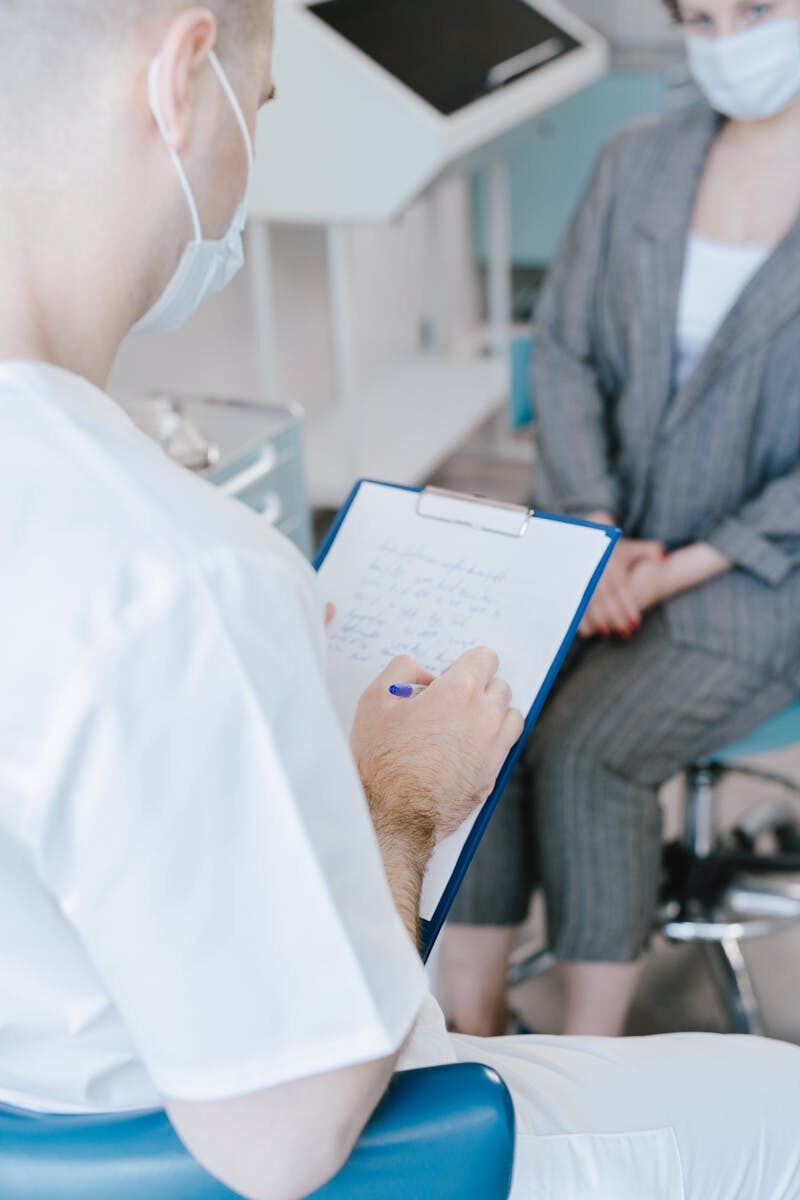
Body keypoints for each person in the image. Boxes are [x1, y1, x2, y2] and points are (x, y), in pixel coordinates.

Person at [2, 3, 800, 1199]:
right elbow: (286, 1144)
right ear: (181, 78)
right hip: (356, 1147)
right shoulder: (185, 576)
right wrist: (398, 799)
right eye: (260, 106)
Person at [444, 0, 800, 1041]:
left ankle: (589, 1059)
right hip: (595, 535)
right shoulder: (636, 159)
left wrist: (674, 566)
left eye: (754, 10)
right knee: (480, 705)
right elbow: (560, 353)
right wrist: (589, 524)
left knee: (586, 749)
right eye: (698, 16)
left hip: (756, 574)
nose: (724, 37)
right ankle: (473, 1027)